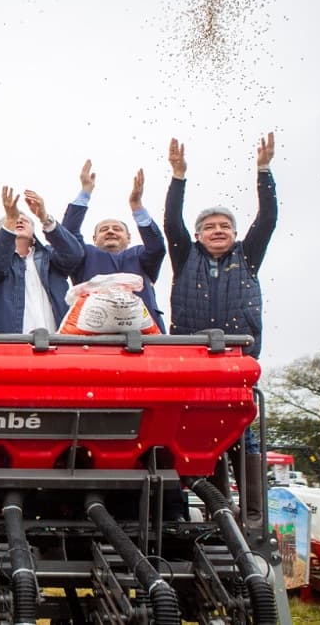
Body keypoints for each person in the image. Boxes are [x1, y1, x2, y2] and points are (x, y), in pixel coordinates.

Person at [164, 133, 277, 523]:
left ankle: (254, 514)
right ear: (197, 235)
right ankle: (217, 510)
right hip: (193, 363)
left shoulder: (248, 256)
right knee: (204, 436)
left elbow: (268, 219)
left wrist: (264, 171)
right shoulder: (184, 257)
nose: (217, 230)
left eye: (224, 225)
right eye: (209, 226)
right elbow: (170, 221)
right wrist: (178, 177)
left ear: (234, 232)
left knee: (244, 436)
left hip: (237, 362)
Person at [61, 161, 166, 332]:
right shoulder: (86, 254)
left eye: (117, 229)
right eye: (104, 230)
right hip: (92, 336)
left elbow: (157, 247)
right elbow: (68, 235)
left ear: (129, 237)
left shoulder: (140, 254)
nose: (110, 231)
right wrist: (85, 192)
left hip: (144, 336)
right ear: (95, 239)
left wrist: (137, 206)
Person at [0, 187, 84, 333]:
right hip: (10, 347)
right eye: (13, 220)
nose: (19, 220)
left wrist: (44, 217)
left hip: (57, 344)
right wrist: (10, 220)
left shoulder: (50, 258)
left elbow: (74, 254)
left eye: (25, 220)